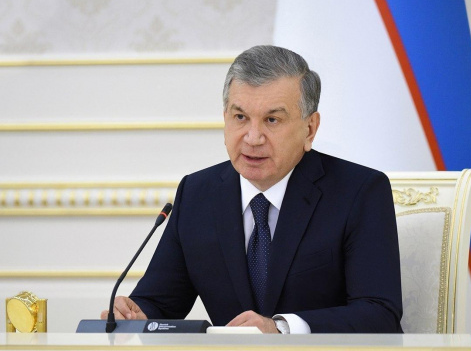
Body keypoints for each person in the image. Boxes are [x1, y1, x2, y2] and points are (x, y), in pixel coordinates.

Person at [101, 45, 403, 333]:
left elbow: (379, 314)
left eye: (272, 120)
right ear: (225, 119)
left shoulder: (360, 192)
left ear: (310, 129)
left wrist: (282, 328)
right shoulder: (197, 194)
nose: (253, 137)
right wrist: (137, 315)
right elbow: (160, 303)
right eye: (240, 117)